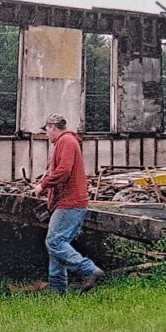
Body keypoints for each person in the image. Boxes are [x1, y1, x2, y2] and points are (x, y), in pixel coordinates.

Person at [31, 113, 105, 294]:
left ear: (52, 127)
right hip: (65, 202)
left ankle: (89, 270)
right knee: (57, 245)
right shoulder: (65, 142)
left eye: (46, 130)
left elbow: (63, 171)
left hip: (70, 202)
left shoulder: (67, 142)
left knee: (54, 242)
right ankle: (57, 289)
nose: (46, 135)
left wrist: (43, 185)